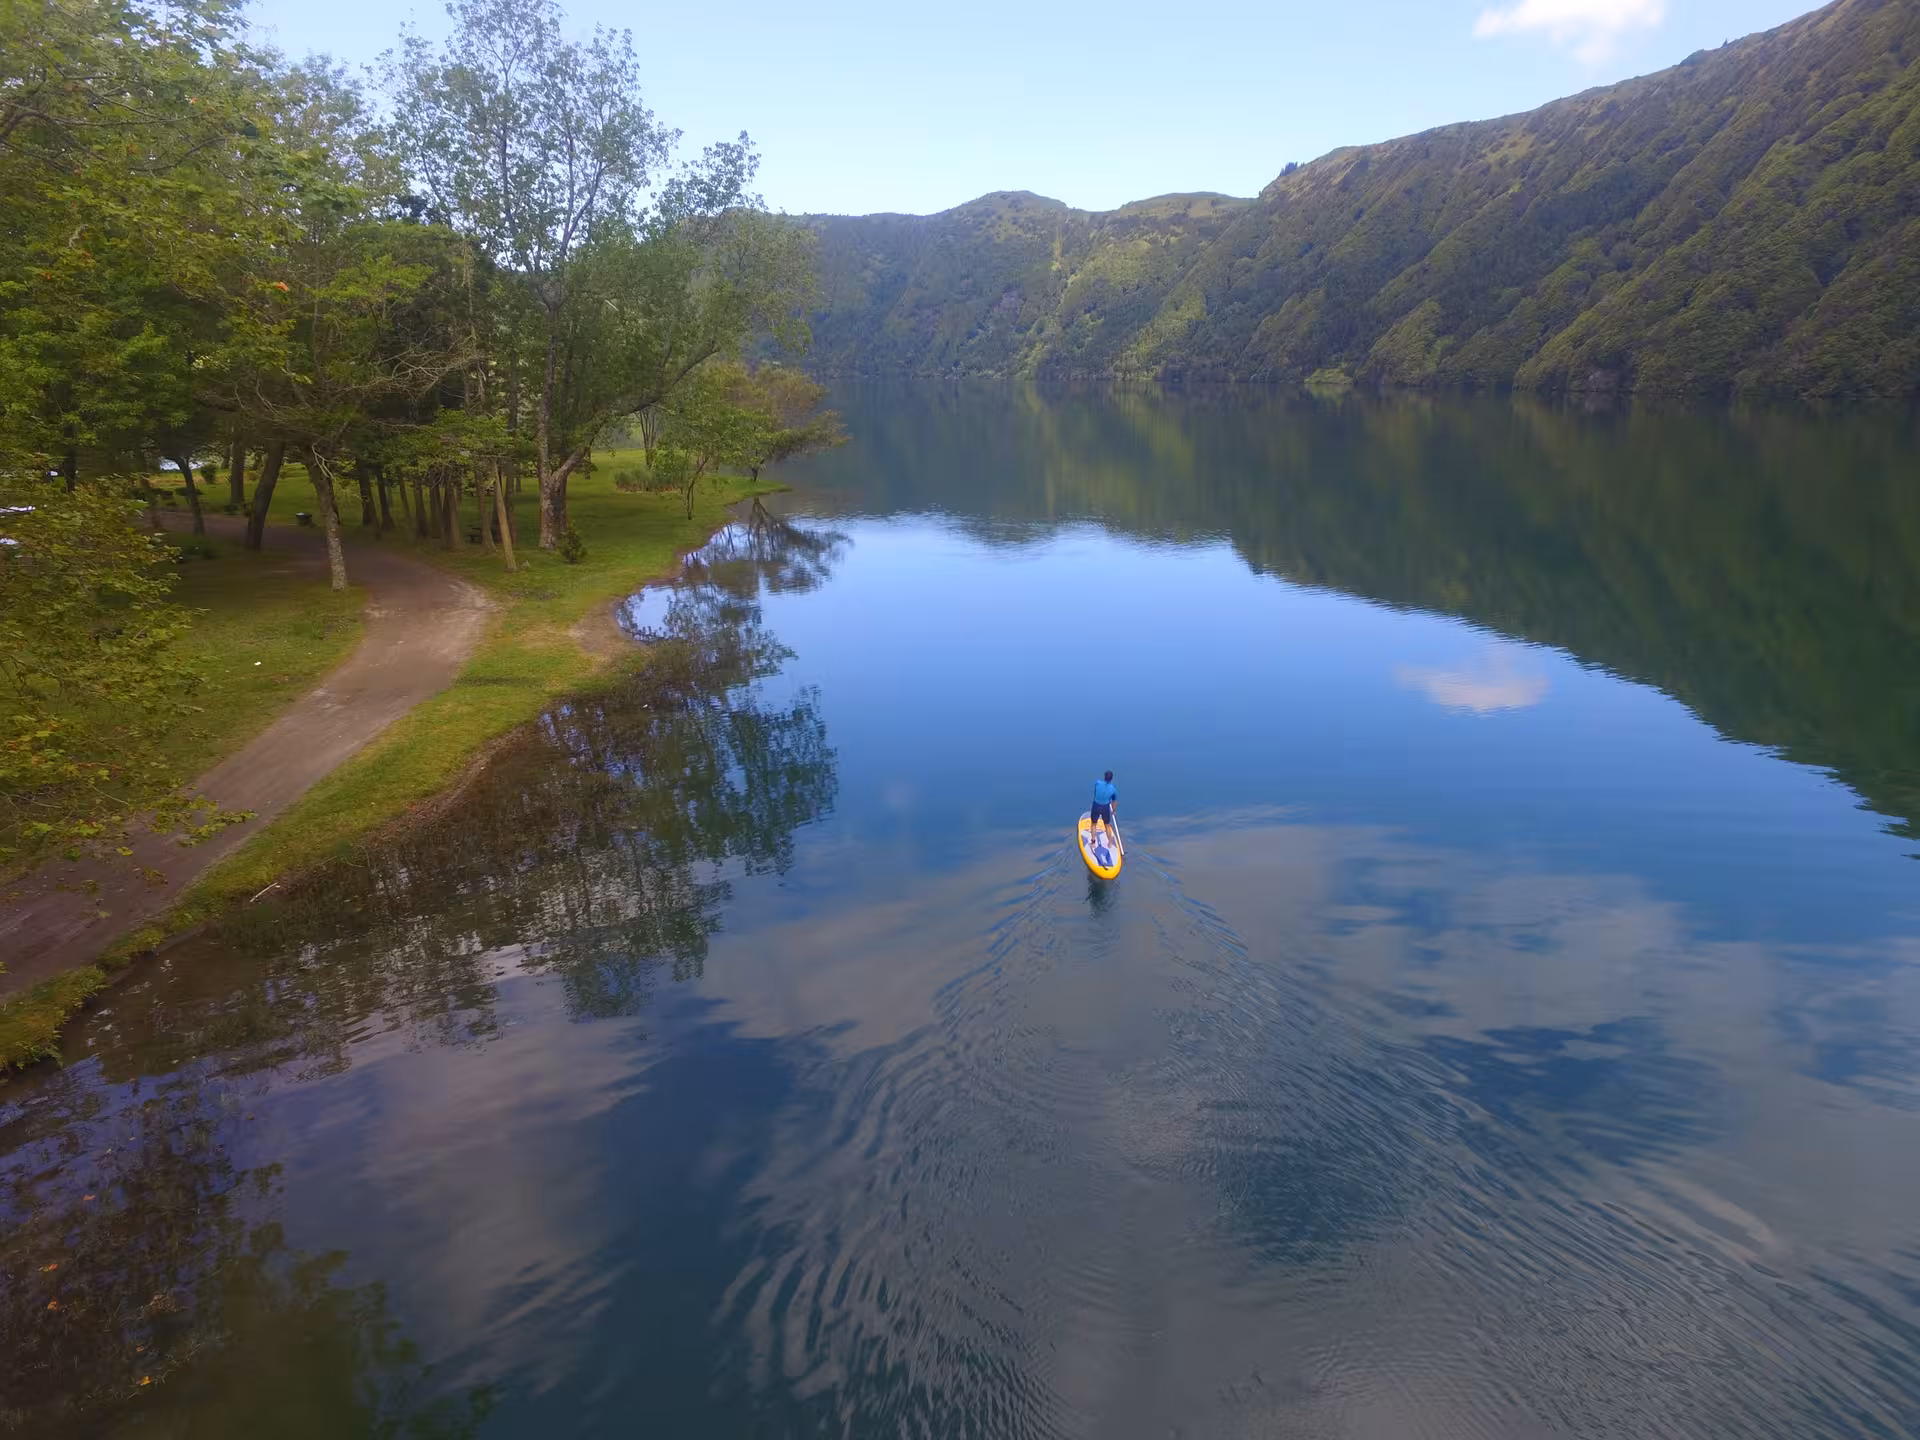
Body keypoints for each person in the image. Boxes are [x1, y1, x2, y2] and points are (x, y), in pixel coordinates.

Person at [1091, 770, 1118, 836]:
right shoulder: (1113, 789)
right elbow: (1114, 802)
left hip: (1096, 806)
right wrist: (1114, 811)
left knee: (1094, 824)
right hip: (1105, 808)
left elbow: (1096, 792)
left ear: (1104, 777)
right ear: (1111, 778)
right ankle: (1110, 843)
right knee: (1107, 825)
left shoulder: (1097, 783)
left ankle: (1093, 841)